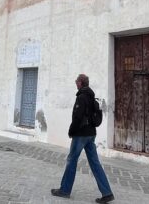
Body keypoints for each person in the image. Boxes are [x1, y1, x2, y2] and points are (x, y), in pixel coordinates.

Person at [51, 74, 114, 203]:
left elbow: (77, 117)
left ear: (80, 82)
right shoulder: (92, 97)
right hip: (91, 134)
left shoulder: (82, 97)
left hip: (81, 134)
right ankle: (107, 193)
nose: (75, 83)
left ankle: (64, 190)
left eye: (76, 81)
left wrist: (71, 131)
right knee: (95, 163)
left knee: (71, 160)